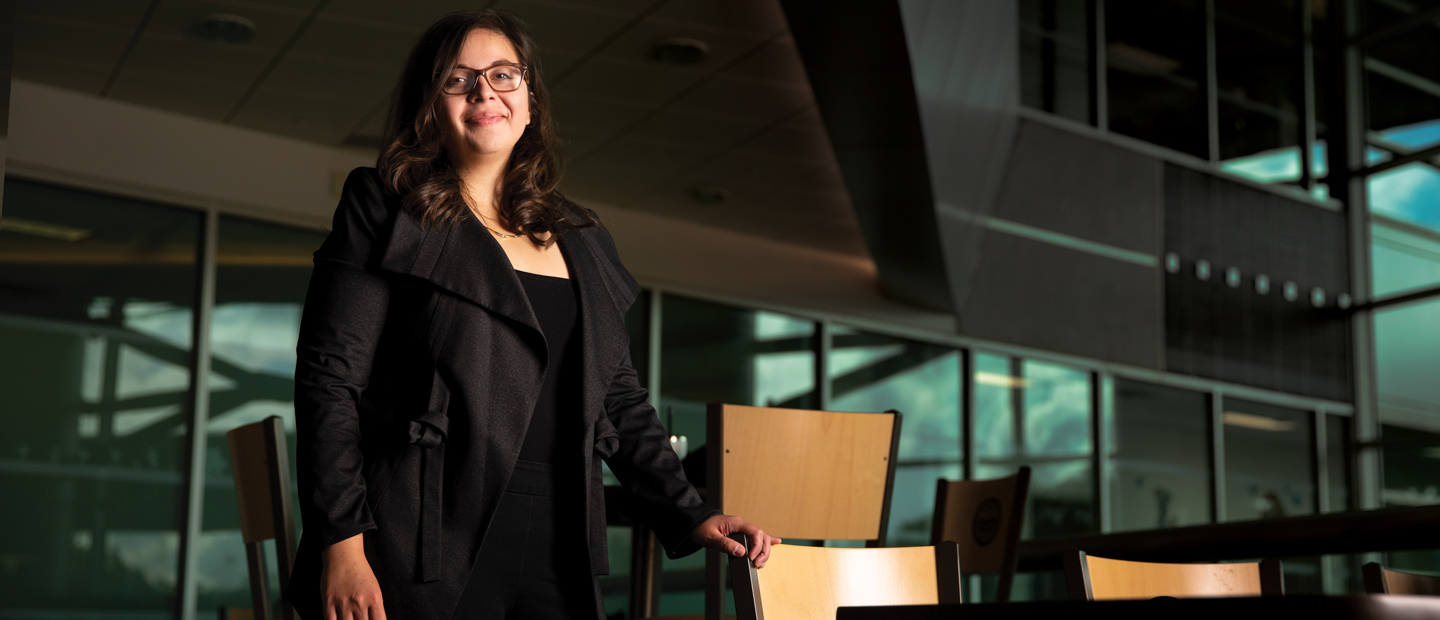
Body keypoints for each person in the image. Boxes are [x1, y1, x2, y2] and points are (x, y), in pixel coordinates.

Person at [285, 10, 778, 620]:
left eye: (502, 74)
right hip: (419, 535)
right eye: (458, 79)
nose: (485, 91)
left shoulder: (583, 236)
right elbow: (330, 382)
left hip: (562, 532)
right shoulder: (384, 207)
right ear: (429, 105)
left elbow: (617, 399)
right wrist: (342, 546)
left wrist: (691, 511)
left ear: (530, 99)